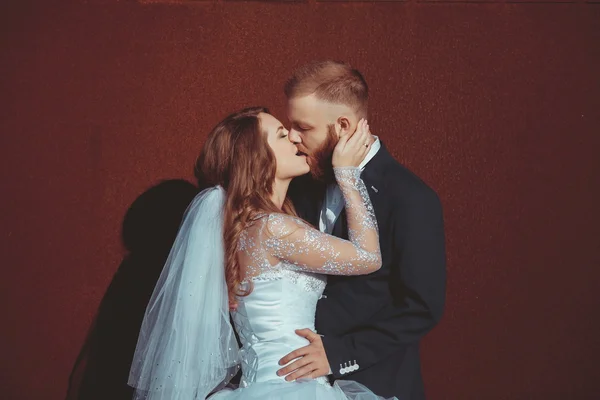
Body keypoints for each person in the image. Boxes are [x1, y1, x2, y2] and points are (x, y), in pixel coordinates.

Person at [127, 106, 397, 399]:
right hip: (291, 386)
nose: (295, 139)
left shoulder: (243, 228)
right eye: (282, 135)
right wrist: (348, 175)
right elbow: (368, 257)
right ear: (257, 157)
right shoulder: (273, 229)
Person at [279, 61, 447, 399]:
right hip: (293, 382)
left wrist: (340, 355)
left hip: (374, 384)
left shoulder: (411, 197)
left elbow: (421, 306)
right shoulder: (299, 183)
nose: (293, 137)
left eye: (303, 127)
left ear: (343, 126)